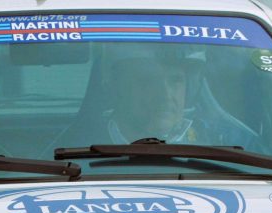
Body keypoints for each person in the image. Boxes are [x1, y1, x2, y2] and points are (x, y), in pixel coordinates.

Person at [59, 48, 258, 151]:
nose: (165, 94)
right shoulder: (71, 150)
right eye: (148, 81)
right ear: (116, 89)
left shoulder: (228, 142)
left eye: (176, 81)